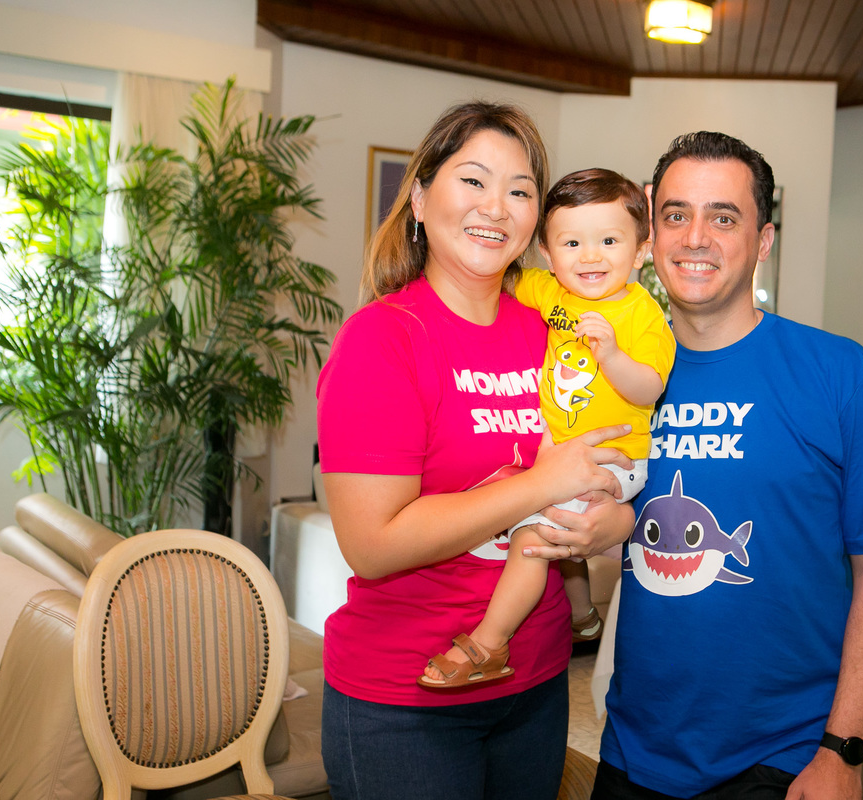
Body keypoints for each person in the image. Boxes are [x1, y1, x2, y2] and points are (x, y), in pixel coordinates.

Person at [314, 102, 635, 800]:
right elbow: (372, 545)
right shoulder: (382, 340)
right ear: (420, 198)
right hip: (407, 699)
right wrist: (540, 485)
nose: (496, 207)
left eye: (520, 190)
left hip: (537, 682)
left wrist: (615, 522)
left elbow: (604, 456)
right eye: (473, 180)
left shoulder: (554, 332)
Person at [593, 131, 863, 800]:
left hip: (784, 758)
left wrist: (843, 751)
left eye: (724, 217)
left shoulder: (840, 373)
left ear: (763, 240)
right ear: (651, 233)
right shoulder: (617, 377)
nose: (695, 238)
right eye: (676, 214)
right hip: (635, 748)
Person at [419, 168, 675, 689]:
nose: (590, 256)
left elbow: (649, 388)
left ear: (641, 251)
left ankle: (489, 643)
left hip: (613, 456)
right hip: (562, 454)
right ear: (548, 253)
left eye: (609, 241)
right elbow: (504, 275)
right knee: (559, 530)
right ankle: (583, 616)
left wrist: (611, 355)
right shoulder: (552, 292)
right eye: (571, 243)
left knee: (533, 537)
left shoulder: (642, 314)